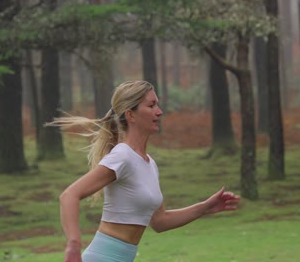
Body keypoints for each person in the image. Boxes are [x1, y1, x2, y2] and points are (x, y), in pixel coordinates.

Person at [47, 80, 241, 262]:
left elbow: (159, 221)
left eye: (157, 105)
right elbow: (69, 195)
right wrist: (74, 244)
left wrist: (205, 207)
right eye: (151, 106)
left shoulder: (149, 164)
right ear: (130, 115)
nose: (159, 112)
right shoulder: (122, 156)